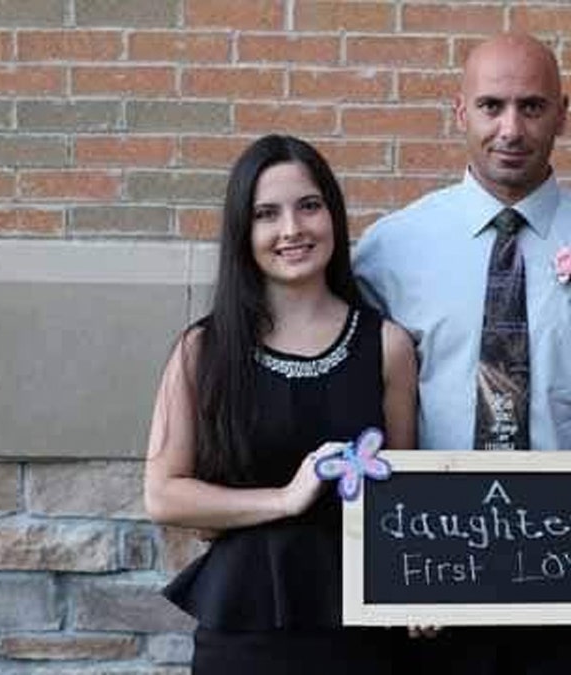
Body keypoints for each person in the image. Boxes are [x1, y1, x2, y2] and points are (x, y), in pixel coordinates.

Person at [353, 32, 571, 675]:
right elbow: (356, 408)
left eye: (532, 107)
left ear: (563, 113)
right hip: (436, 569)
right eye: (491, 106)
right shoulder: (389, 251)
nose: (511, 128)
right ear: (460, 112)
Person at [143, 134, 418, 674]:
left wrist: (417, 594)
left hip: (358, 632)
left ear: (333, 215)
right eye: (267, 214)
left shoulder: (388, 346)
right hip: (244, 630)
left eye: (309, 206)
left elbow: (400, 501)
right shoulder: (203, 350)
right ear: (243, 232)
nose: (292, 230)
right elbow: (163, 495)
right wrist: (285, 500)